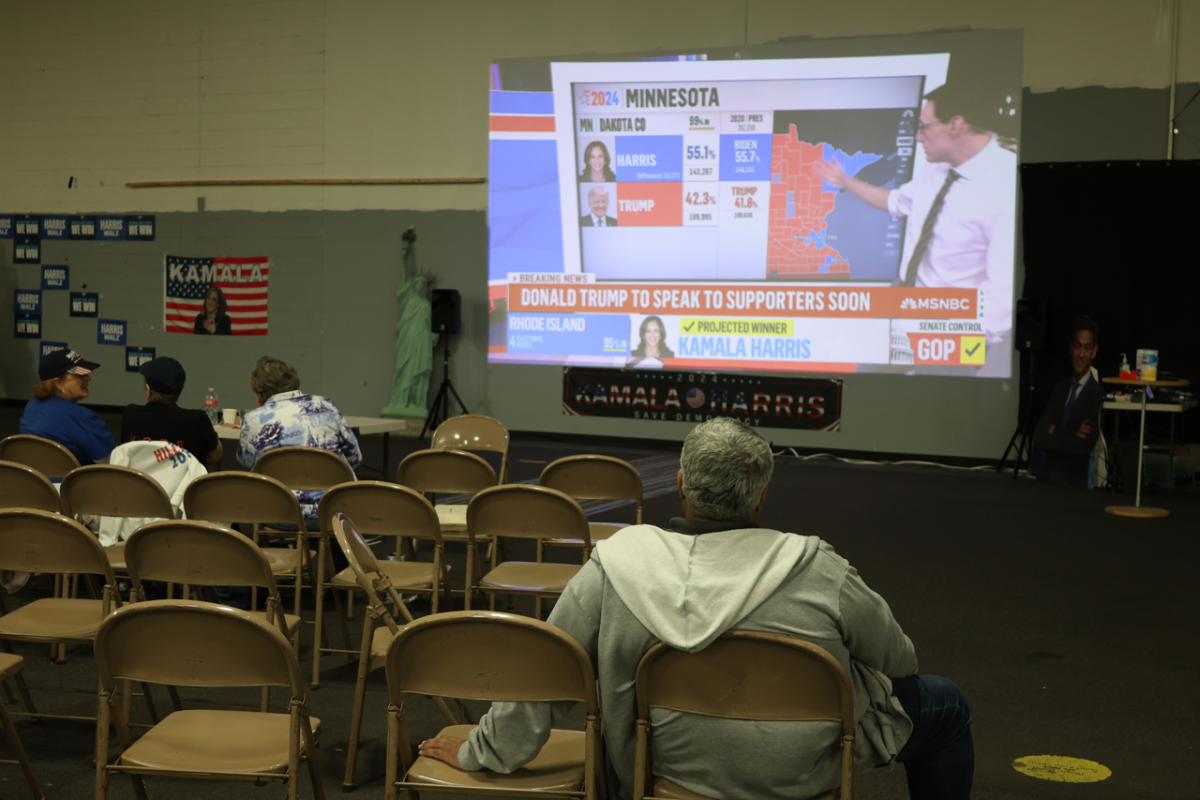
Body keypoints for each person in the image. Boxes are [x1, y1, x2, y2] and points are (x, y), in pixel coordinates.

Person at [418, 418, 973, 800]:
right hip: (801, 774)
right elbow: (901, 661)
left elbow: (545, 676)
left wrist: (482, 750)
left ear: (680, 486)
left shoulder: (616, 565)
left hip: (658, 773)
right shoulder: (818, 566)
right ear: (760, 497)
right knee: (945, 703)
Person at [817, 82, 1016, 350]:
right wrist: (844, 180)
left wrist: (961, 345)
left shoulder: (1003, 185)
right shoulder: (937, 167)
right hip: (906, 301)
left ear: (955, 125)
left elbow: (1002, 297)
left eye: (923, 127)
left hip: (950, 328)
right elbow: (896, 201)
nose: (917, 137)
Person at [237, 355, 362, 525]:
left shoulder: (253, 419)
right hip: (335, 511)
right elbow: (355, 458)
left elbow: (247, 462)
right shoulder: (326, 406)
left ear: (259, 393)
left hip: (277, 513)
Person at [1031, 315, 1105, 488]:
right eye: (1077, 346)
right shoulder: (1059, 388)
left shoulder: (1097, 394)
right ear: (1071, 347)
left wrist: (1054, 430)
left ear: (1094, 351)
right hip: (1046, 479)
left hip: (1074, 485)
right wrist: (1071, 434)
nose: (1080, 354)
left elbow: (1082, 447)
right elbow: (1040, 433)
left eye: (1086, 348)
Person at [19, 348, 115, 467]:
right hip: (75, 484)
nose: (88, 378)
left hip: (37, 482)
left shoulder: (32, 406)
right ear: (59, 383)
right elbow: (111, 463)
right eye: (80, 375)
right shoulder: (83, 418)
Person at [120, 356, 223, 466]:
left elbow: (126, 454)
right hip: (185, 483)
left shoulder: (130, 415)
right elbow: (216, 455)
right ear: (180, 391)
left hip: (141, 483)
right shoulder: (196, 420)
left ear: (148, 390)